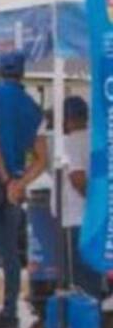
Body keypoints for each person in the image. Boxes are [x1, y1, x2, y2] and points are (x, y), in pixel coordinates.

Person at [0, 51, 47, 328]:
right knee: (10, 254)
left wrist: (4, 179)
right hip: (14, 186)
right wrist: (18, 183)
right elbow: (41, 160)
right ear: (22, 74)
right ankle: (9, 315)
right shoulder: (34, 108)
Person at [59, 96, 105, 305]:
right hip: (97, 220)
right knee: (95, 273)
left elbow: (77, 179)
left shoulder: (71, 142)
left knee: (80, 278)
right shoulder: (98, 139)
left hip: (78, 217)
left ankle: (86, 323)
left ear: (67, 119)